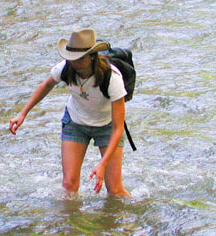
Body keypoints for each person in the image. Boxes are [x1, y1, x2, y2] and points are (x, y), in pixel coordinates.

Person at [9, 29, 129, 198]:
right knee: (69, 186)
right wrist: (22, 114)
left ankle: (134, 216)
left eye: (80, 59)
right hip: (75, 123)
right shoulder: (66, 68)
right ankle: (69, 223)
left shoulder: (111, 77)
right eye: (71, 59)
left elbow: (118, 128)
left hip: (107, 127)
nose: (75, 63)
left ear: (92, 57)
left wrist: (103, 163)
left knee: (115, 190)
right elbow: (46, 85)